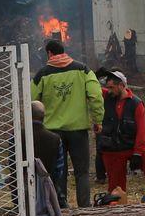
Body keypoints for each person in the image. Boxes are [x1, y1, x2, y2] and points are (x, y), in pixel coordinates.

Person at [32, 39, 103, 207]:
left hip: (52, 134)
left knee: (58, 172)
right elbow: (95, 95)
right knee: (82, 172)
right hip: (78, 131)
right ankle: (84, 208)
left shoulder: (42, 74)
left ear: (49, 53)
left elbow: (31, 101)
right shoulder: (83, 70)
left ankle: (60, 207)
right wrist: (98, 120)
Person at [97, 71, 145, 203]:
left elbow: (142, 130)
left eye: (112, 87)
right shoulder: (106, 96)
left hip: (131, 144)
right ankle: (118, 204)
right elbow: (93, 89)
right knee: (116, 186)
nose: (109, 90)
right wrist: (93, 76)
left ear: (121, 85)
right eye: (108, 87)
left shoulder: (136, 103)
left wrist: (138, 153)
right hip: (113, 147)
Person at [29, 101, 67, 208]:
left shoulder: (17, 137)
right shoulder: (55, 139)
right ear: (44, 116)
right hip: (48, 191)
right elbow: (59, 169)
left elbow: (12, 165)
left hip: (23, 190)